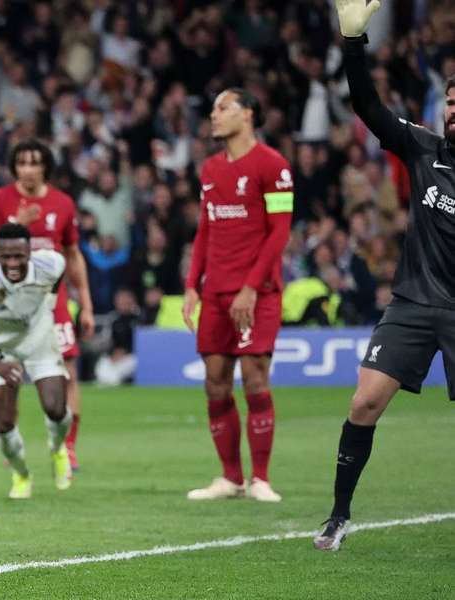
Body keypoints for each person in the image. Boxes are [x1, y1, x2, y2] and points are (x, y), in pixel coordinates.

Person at [314, 0, 455, 551]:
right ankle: (338, 515)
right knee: (363, 403)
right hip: (415, 302)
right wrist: (353, 45)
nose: (452, 109)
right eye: (449, 99)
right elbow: (368, 106)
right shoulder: (424, 150)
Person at [182, 87, 294, 503]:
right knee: (215, 382)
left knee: (253, 377)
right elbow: (205, 229)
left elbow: (279, 232)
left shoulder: (274, 165)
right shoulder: (210, 169)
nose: (214, 115)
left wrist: (251, 287)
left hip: (258, 292)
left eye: (222, 108)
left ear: (247, 114)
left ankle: (260, 478)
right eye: (212, 108)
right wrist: (193, 283)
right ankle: (230, 478)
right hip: (216, 291)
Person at [0, 139, 94, 472]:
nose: (28, 169)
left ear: (45, 167)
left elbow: (73, 256)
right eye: (22, 163)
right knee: (10, 381)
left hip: (52, 305)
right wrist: (18, 222)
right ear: (15, 167)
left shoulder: (63, 203)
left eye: (34, 162)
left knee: (67, 376)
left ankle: (67, 449)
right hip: (7, 310)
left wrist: (85, 304)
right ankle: (12, 444)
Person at [0, 223, 74, 499]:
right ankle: (21, 474)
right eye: (5, 256)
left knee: (56, 408)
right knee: (4, 423)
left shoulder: (52, 263)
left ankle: (58, 448)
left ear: (30, 252)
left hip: (38, 336)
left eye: (18, 256)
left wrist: (51, 302)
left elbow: (60, 274)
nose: (12, 263)